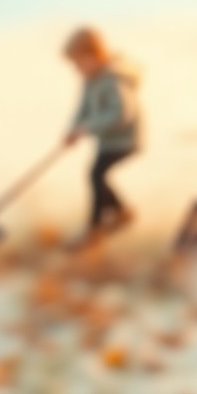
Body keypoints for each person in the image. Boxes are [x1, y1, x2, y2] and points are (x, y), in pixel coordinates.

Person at [62, 27, 142, 249]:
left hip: (125, 141)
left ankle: (95, 228)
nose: (77, 70)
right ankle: (120, 213)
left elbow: (122, 113)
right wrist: (72, 129)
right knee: (97, 174)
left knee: (96, 173)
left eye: (78, 64)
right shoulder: (90, 80)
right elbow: (83, 109)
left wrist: (87, 129)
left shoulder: (114, 78)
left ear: (93, 56)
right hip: (107, 141)